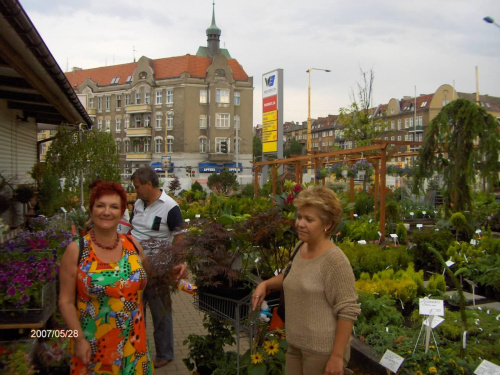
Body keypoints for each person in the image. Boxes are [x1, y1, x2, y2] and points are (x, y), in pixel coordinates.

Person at [252, 185, 360, 375]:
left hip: (322, 352)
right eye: (299, 216)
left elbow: (348, 310)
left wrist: (337, 356)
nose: (300, 223)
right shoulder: (301, 247)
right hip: (295, 345)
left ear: (327, 224)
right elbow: (289, 275)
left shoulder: (335, 261)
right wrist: (266, 284)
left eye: (309, 219)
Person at [58, 181, 153, 374]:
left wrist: (174, 272)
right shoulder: (77, 250)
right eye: (100, 205)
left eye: (114, 206)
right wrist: (79, 340)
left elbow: (147, 277)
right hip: (93, 347)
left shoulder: (133, 245)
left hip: (134, 345)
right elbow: (65, 302)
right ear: (91, 210)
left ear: (122, 213)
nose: (106, 212)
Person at [130, 166, 188, 369]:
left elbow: (180, 238)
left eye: (137, 187)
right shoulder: (138, 204)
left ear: (148, 184)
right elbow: (132, 230)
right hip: (135, 268)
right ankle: (138, 350)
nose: (135, 191)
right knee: (136, 313)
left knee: (160, 313)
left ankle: (165, 354)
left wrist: (178, 264)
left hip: (158, 270)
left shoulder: (170, 207)